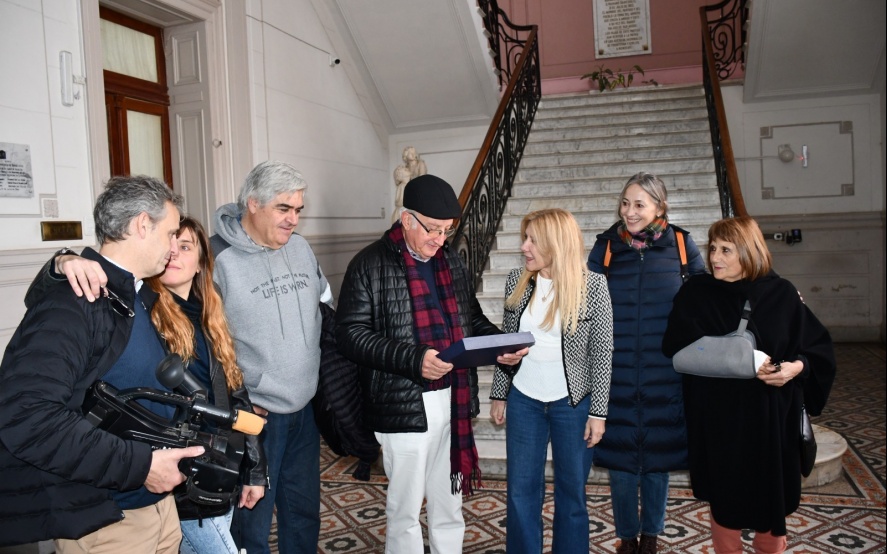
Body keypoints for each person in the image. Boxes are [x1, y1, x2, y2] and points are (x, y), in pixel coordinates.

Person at [0, 176, 205, 552]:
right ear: (142, 225)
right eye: (171, 233)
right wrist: (141, 466)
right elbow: (27, 416)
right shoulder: (73, 303)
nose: (174, 246)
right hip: (106, 517)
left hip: (154, 503)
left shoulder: (131, 293)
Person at [335, 174, 527, 553]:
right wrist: (414, 359)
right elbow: (349, 336)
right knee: (405, 510)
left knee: (449, 501)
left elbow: (469, 318)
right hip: (403, 403)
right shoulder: (369, 264)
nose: (441, 239)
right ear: (407, 219)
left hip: (453, 396)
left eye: (447, 230)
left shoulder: (450, 261)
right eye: (433, 229)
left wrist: (497, 345)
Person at [662, 216, 836, 553]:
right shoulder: (696, 292)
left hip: (771, 423)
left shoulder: (781, 294)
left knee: (771, 505)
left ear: (749, 251)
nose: (715, 257)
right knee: (723, 505)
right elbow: (673, 347)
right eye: (713, 248)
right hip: (718, 423)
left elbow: (818, 349)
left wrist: (795, 368)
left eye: (726, 250)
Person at [211, 160, 332, 554]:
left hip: (303, 409)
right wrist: (239, 401)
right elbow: (206, 346)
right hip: (256, 417)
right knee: (252, 524)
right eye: (284, 208)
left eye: (298, 209)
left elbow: (325, 302)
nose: (293, 219)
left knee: (303, 515)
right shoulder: (216, 259)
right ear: (253, 204)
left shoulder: (300, 247)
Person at [586, 172, 705, 554]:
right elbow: (585, 304)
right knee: (620, 462)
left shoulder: (682, 245)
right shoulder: (606, 246)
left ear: (659, 207)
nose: (630, 211)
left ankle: (651, 536)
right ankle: (627, 537)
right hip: (615, 371)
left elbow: (710, 298)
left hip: (665, 372)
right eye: (625, 203)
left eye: (639, 204)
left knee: (658, 460)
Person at [489, 208, 614, 554]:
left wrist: (598, 414)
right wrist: (500, 393)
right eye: (524, 238)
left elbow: (602, 353)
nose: (524, 247)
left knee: (571, 493)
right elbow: (507, 342)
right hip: (524, 400)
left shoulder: (593, 285)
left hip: (572, 404)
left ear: (556, 243)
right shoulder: (517, 280)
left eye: (533, 240)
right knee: (521, 492)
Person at [148, 217, 268, 554]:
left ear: (201, 262)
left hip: (219, 466)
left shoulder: (210, 317)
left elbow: (238, 399)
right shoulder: (146, 316)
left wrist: (254, 472)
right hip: (183, 474)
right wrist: (64, 261)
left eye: (185, 246)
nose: (174, 253)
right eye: (169, 244)